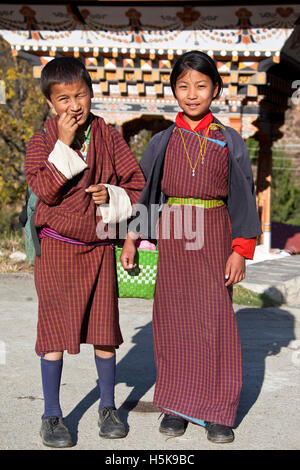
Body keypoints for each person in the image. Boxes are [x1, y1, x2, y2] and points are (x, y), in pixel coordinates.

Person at [121, 50, 262, 444]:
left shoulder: (228, 140)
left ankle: (217, 412)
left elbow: (243, 197)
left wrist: (240, 249)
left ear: (215, 89)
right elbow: (146, 192)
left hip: (215, 233)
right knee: (174, 321)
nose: (192, 93)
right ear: (174, 91)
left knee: (214, 321)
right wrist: (132, 238)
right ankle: (176, 407)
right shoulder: (162, 141)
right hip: (175, 234)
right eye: (183, 86)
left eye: (201, 85)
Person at [25, 57, 145, 447]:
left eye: (81, 95)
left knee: (104, 331)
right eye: (63, 99)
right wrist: (62, 145)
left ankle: (108, 407)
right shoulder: (41, 141)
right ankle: (52, 414)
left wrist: (110, 194)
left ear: (92, 94)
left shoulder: (108, 137)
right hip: (58, 250)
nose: (74, 106)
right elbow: (44, 189)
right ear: (50, 104)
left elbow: (137, 184)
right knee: (55, 334)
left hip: (98, 250)